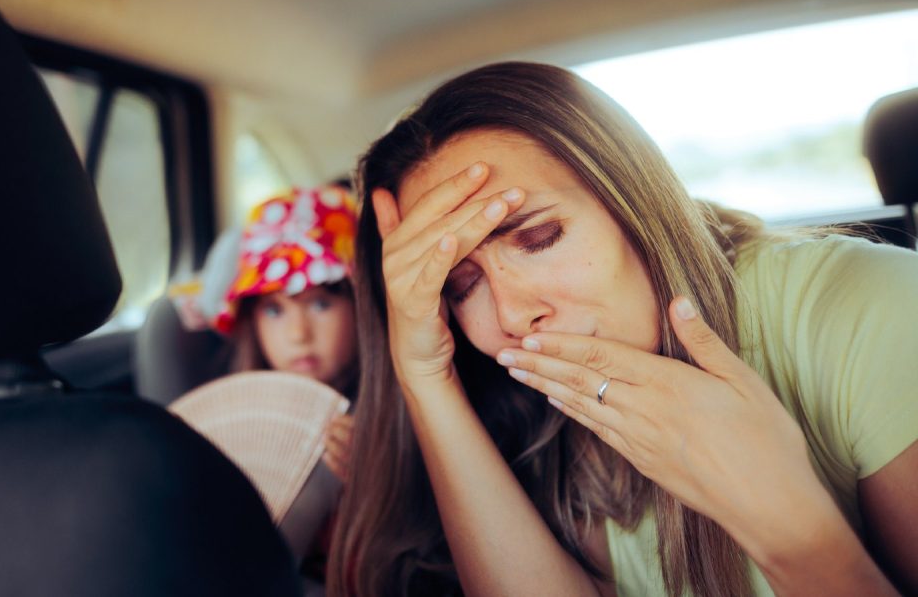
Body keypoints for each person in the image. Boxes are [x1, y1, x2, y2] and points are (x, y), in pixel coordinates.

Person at [327, 62, 918, 597]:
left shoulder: (872, 303)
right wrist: (425, 375)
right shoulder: (528, 415)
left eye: (539, 238)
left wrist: (793, 533)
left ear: (632, 196)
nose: (511, 317)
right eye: (460, 288)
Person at [212, 184, 361, 591]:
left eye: (320, 304)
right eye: (274, 310)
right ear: (251, 322)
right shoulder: (237, 419)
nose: (298, 334)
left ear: (360, 305)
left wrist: (368, 485)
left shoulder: (398, 414)